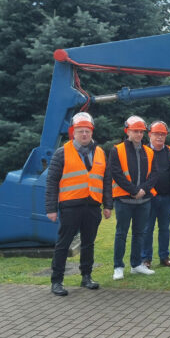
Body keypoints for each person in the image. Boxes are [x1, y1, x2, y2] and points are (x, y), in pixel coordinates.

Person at [46, 112, 110, 296]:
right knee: (63, 244)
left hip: (92, 206)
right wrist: (51, 209)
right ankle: (57, 281)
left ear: (91, 133)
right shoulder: (62, 152)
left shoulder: (99, 152)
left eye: (87, 131)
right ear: (73, 132)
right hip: (70, 206)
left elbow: (105, 181)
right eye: (80, 131)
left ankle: (86, 277)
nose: (84, 134)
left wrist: (107, 205)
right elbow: (51, 182)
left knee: (88, 243)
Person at [107, 116, 158, 280]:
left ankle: (136, 265)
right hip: (124, 201)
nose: (138, 134)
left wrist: (143, 190)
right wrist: (133, 191)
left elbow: (155, 174)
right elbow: (116, 173)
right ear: (127, 131)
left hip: (144, 201)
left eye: (141, 131)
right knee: (121, 233)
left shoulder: (149, 151)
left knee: (139, 233)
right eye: (135, 131)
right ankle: (118, 267)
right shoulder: (117, 150)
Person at [141, 121, 170, 268]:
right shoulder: (143, 152)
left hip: (166, 197)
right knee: (147, 228)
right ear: (150, 134)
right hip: (149, 198)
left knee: (165, 228)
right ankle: (146, 259)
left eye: (162, 134)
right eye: (156, 134)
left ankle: (164, 257)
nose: (159, 137)